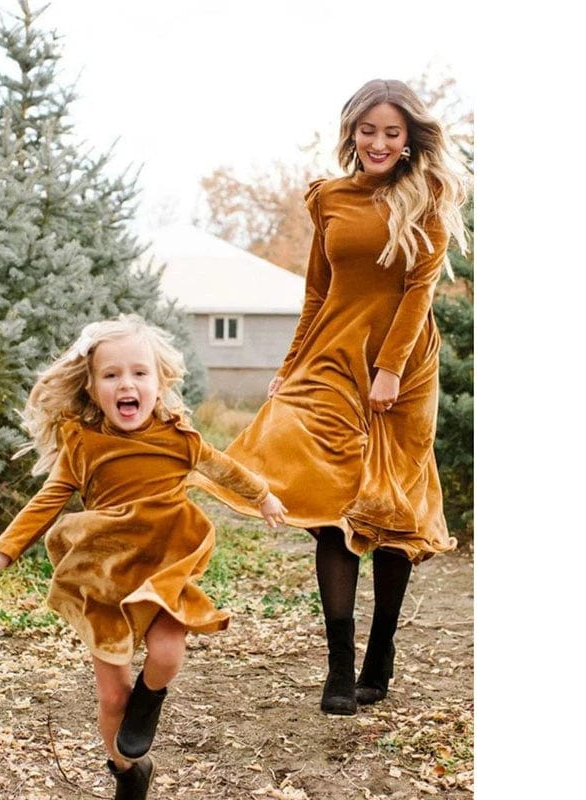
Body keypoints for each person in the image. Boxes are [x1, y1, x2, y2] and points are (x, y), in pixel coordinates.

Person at [189, 78, 468, 717]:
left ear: (408, 139)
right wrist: (288, 367)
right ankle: (339, 666)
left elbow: (418, 291)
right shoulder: (330, 199)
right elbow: (317, 292)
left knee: (392, 506)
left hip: (405, 366)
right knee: (330, 507)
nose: (378, 142)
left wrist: (391, 369)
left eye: (391, 132)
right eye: (367, 130)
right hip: (330, 357)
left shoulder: (428, 197)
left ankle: (381, 655)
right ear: (352, 133)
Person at [0, 314, 287, 800]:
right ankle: (128, 771)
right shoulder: (83, 445)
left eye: (139, 373)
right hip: (106, 575)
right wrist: (0, 553)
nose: (126, 383)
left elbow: (224, 467)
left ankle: (149, 701)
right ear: (91, 388)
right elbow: (47, 500)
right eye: (111, 375)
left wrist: (262, 496)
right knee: (111, 697)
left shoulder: (179, 439)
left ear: (160, 381)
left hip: (166, 565)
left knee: (167, 655)